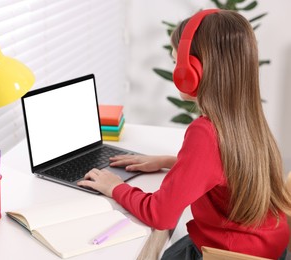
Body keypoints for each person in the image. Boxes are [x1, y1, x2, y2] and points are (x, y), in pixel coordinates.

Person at [78, 9, 291, 259]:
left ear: (193, 72)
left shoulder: (206, 132)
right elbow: (229, 167)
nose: (175, 69)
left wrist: (114, 187)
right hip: (266, 246)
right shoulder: (246, 118)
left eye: (176, 62)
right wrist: (170, 162)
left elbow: (160, 214)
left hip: (226, 253)